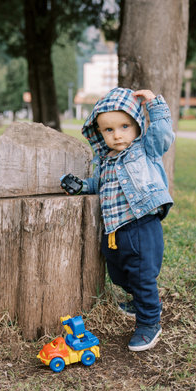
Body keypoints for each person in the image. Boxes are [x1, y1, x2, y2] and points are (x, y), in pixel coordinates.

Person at [61, 87, 175, 352]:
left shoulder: (146, 149)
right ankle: (138, 301)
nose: (117, 135)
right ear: (99, 132)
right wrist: (80, 186)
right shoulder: (105, 160)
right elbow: (98, 185)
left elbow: (162, 135)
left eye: (124, 126)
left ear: (136, 125)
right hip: (114, 229)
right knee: (118, 272)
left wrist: (155, 105)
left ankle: (149, 323)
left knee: (142, 275)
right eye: (108, 130)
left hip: (142, 224)